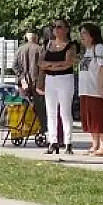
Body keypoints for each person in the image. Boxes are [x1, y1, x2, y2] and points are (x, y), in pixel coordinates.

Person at [41, 19, 77, 155]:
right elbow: (41, 62)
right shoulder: (48, 44)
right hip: (50, 79)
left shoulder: (71, 45)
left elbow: (68, 63)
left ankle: (68, 143)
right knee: (51, 112)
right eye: (54, 27)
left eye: (59, 27)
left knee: (65, 111)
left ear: (66, 29)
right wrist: (54, 65)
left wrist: (50, 65)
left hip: (65, 79)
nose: (56, 29)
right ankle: (52, 141)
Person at [78, 23, 103, 156]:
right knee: (90, 119)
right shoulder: (87, 51)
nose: (82, 37)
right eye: (81, 34)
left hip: (96, 91)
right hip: (85, 90)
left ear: (93, 35)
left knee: (99, 118)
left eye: (85, 33)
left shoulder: (99, 48)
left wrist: (101, 87)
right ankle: (95, 144)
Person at [14, 31, 47, 135]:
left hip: (23, 83)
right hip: (37, 82)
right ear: (35, 38)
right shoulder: (40, 49)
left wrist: (22, 77)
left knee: (24, 105)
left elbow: (14, 66)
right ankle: (42, 128)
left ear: (26, 38)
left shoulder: (19, 49)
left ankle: (21, 126)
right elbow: (44, 66)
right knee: (40, 107)